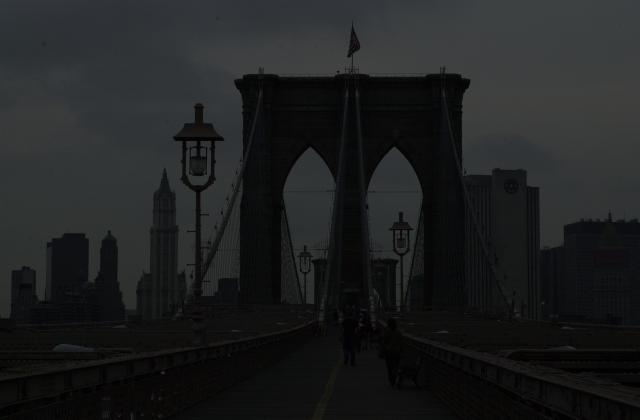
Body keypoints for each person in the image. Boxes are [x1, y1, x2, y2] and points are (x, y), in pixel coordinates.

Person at [382, 317, 403, 386]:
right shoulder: (398, 332)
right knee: (396, 366)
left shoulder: (387, 332)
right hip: (397, 351)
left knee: (389, 366)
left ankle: (391, 380)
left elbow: (384, 341)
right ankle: (394, 377)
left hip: (389, 351)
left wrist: (383, 350)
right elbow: (401, 342)